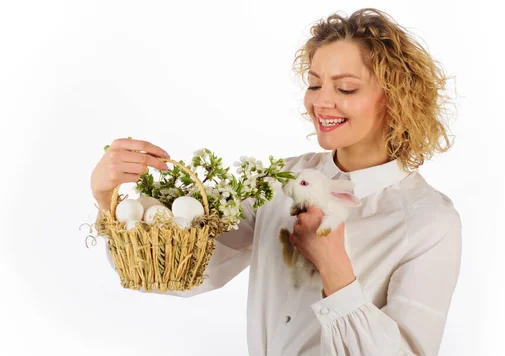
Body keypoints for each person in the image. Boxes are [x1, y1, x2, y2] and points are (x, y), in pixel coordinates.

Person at [90, 8, 461, 356]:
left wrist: (336, 270)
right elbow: (183, 273)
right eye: (315, 85)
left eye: (346, 88)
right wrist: (109, 199)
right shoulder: (278, 181)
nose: (322, 102)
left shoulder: (429, 221)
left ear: (396, 100)